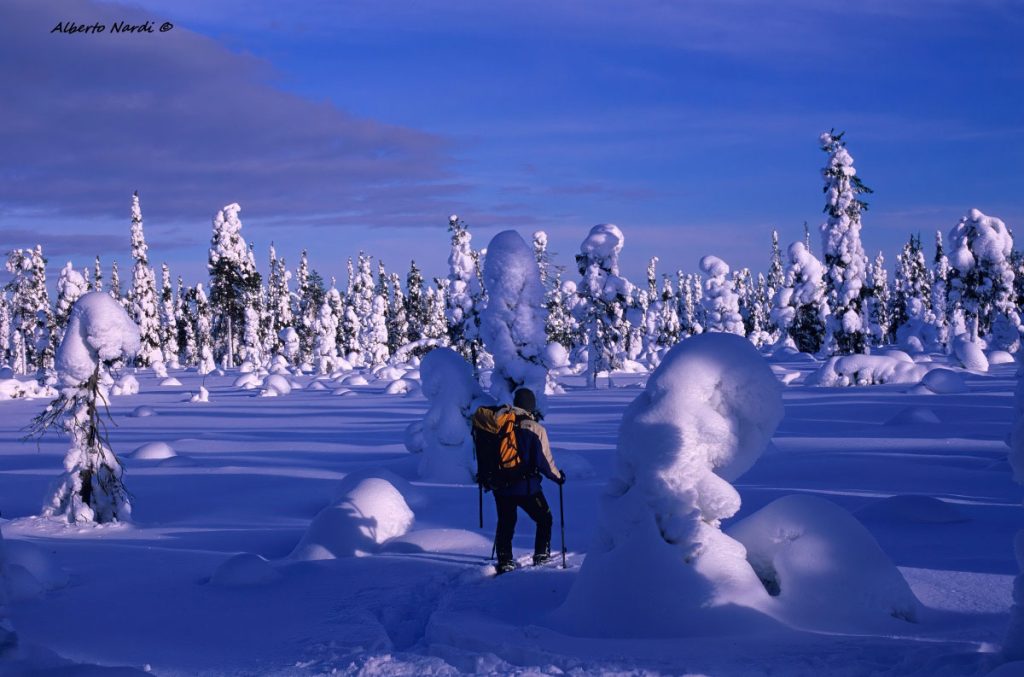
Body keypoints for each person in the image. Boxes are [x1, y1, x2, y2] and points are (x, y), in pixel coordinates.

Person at [492, 387, 565, 575]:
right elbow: (545, 462)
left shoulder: (499, 423)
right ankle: (541, 554)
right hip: (527, 488)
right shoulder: (535, 428)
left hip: (500, 486)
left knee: (506, 522)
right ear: (531, 406)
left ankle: (504, 559)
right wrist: (558, 477)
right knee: (544, 518)